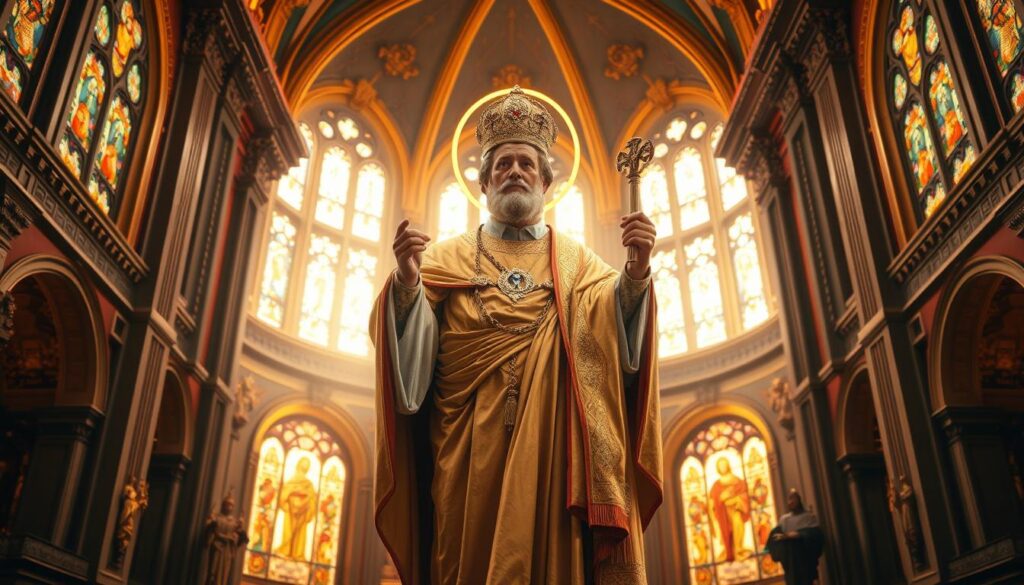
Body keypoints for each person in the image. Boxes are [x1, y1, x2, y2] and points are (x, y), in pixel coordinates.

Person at [370, 86, 662, 584]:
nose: (515, 172)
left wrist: (635, 276)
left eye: (527, 163)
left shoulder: (581, 268)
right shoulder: (440, 261)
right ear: (483, 183)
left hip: (553, 459)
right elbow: (411, 378)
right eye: (502, 164)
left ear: (547, 181)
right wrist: (407, 283)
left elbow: (618, 352)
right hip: (465, 459)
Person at [767, 489, 824, 585]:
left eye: (793, 499)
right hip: (790, 561)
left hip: (804, 560)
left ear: (799, 500)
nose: (791, 502)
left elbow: (816, 536)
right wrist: (781, 540)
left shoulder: (808, 517)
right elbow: (774, 538)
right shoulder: (784, 519)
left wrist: (798, 535)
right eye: (789, 499)